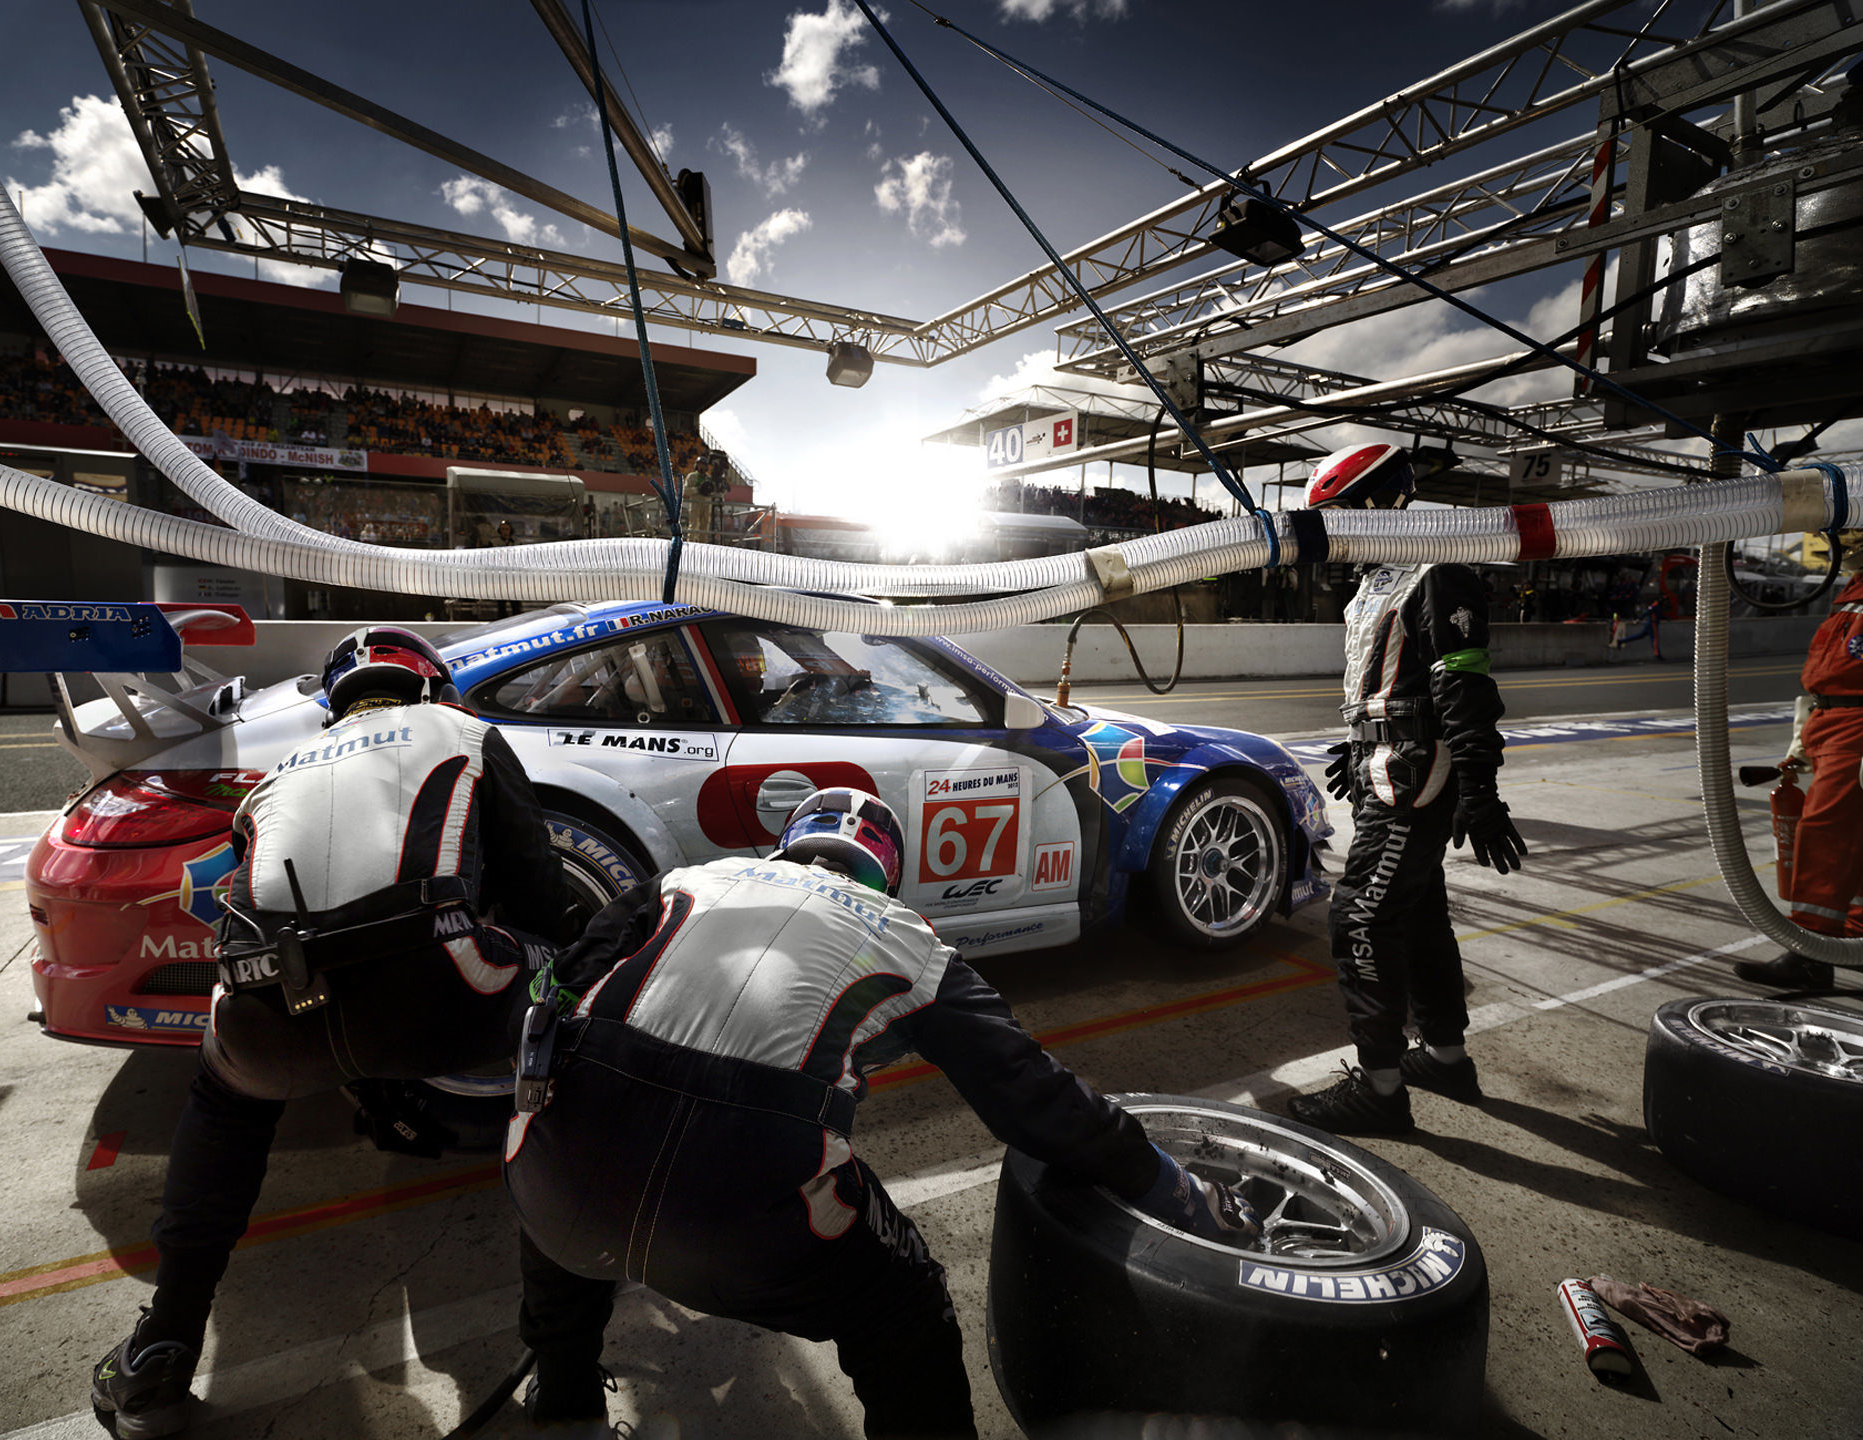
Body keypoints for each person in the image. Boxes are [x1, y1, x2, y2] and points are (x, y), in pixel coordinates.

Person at [504, 788, 1261, 1437]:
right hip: (746, 1210)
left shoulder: (691, 878)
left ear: (789, 845)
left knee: (562, 1156)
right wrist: (1175, 1190)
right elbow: (1036, 1099)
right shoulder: (908, 937)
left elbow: (556, 989)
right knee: (906, 1311)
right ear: (886, 876)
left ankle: (560, 1390)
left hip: (558, 1189)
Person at [91, 626, 579, 1437]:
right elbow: (537, 889)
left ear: (335, 702)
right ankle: (567, 1377)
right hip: (440, 985)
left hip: (271, 1008)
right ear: (431, 688)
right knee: (575, 989)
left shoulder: (278, 773)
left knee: (224, 1103)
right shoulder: (467, 733)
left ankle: (163, 1347)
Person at [1286, 444, 1526, 1135]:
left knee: (1358, 916)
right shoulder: (1370, 583)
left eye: (1332, 515)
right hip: (1384, 765)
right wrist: (1357, 742)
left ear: (1372, 505)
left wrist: (1479, 786)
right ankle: (1446, 1057)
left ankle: (1381, 1091)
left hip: (1415, 777)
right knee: (1415, 915)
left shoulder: (1438, 566)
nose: (1326, 532)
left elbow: (1463, 681)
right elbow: (1392, 683)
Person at [1735, 531, 1863, 992]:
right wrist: (1802, 739)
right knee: (1853, 837)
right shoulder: (1852, 590)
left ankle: (1811, 954)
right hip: (1832, 719)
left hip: (1857, 724)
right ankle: (1855, 938)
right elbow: (1829, 673)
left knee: (1826, 833)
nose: (1845, 546)